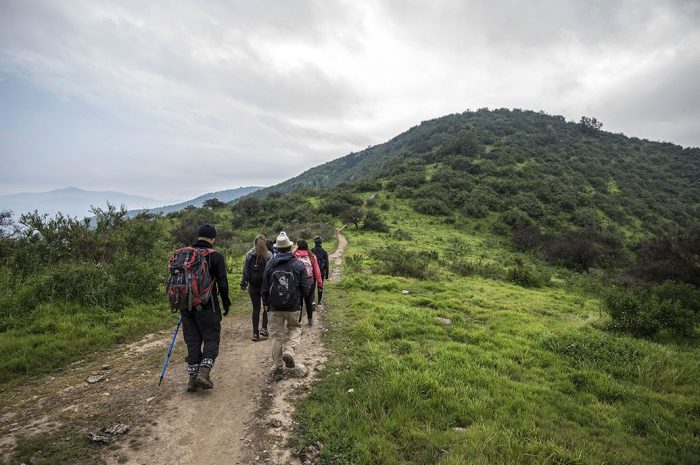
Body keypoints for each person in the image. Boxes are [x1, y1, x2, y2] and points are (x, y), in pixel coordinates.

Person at [182, 224, 230, 392]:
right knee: (211, 338)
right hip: (208, 306)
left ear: (198, 236)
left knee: (193, 341)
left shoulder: (185, 255)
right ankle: (203, 373)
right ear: (213, 238)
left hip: (186, 306)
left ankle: (191, 379)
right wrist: (226, 303)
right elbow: (223, 284)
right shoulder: (215, 256)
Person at [262, 232, 310, 373]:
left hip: (274, 306)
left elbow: (264, 288)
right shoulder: (298, 264)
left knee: (276, 336)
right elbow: (306, 289)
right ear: (289, 248)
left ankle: (278, 366)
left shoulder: (270, 265)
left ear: (277, 248)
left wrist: (266, 304)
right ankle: (289, 351)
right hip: (293, 306)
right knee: (295, 329)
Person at [241, 235, 272, 341]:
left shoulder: (249, 254)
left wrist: (244, 283)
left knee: (256, 308)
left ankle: (255, 333)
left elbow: (245, 270)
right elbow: (271, 271)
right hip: (265, 287)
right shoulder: (268, 254)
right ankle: (264, 328)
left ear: (254, 243)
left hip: (253, 286)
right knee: (266, 307)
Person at [294, 239, 323, 326]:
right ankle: (310, 320)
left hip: (298, 283)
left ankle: (298, 321)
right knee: (309, 302)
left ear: (297, 246)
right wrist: (320, 283)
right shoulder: (312, 256)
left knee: (299, 303)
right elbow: (317, 271)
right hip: (310, 282)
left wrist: (294, 250)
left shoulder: (294, 256)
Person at [311, 236, 329, 304]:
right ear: (321, 242)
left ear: (314, 242)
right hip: (321, 272)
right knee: (320, 286)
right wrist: (326, 275)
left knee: (312, 287)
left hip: (312, 272)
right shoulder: (324, 252)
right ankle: (319, 301)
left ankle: (312, 301)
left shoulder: (311, 251)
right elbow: (327, 264)